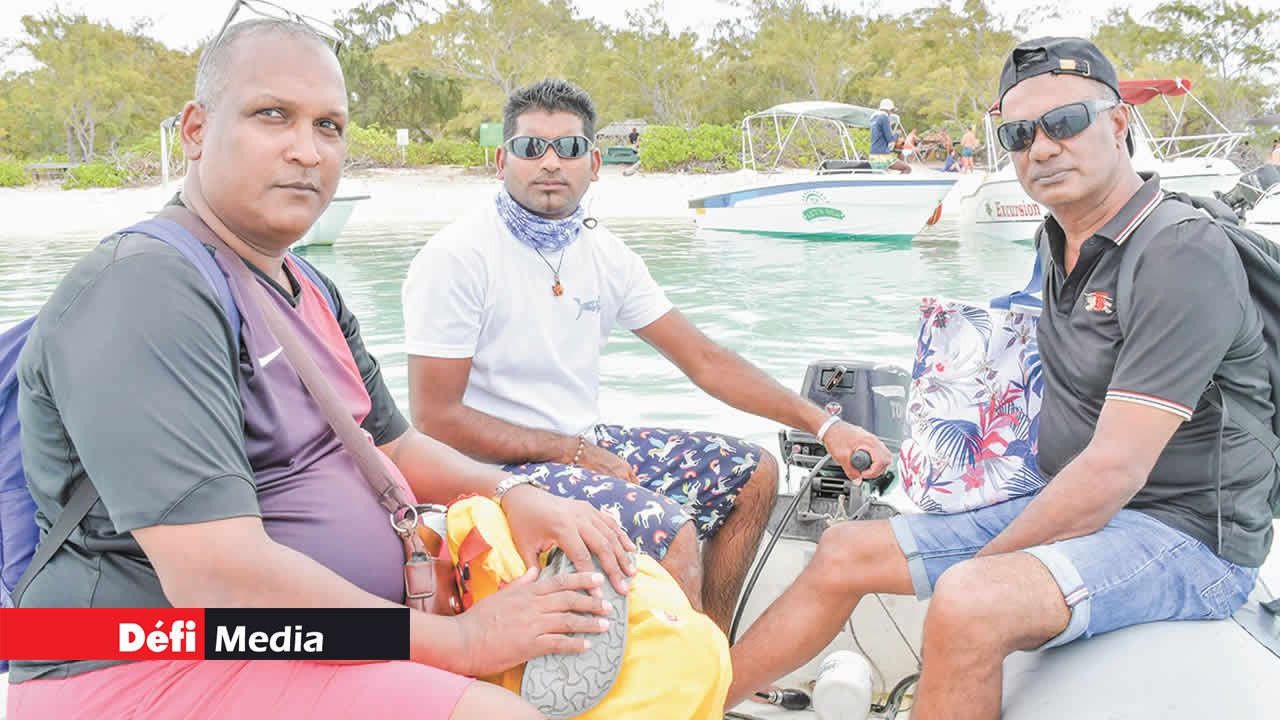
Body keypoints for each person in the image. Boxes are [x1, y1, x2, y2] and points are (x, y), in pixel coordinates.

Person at [8, 19, 642, 720]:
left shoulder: (305, 285)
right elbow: (218, 581)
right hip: (151, 655)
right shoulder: (147, 292)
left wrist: (511, 493)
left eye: (330, 126)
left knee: (648, 636)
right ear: (194, 130)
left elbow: (393, 445)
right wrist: (461, 643)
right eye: (271, 115)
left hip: (319, 633)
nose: (306, 151)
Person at [724, 36, 1274, 719]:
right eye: (1019, 134)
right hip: (1082, 506)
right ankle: (692, 706)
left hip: (1186, 534)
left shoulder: (1179, 254)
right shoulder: (1059, 240)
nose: (1041, 148)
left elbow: (1113, 472)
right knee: (841, 551)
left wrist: (980, 564)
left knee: (968, 600)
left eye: (1066, 122)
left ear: (1117, 124)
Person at [401, 78, 892, 633]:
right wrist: (574, 450)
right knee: (670, 529)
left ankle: (711, 659)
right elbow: (435, 419)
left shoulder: (604, 253)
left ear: (594, 162)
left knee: (754, 474)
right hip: (487, 467)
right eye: (530, 146)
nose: (549, 162)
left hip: (577, 443)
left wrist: (825, 425)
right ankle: (680, 691)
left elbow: (704, 360)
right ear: (501, 160)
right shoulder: (457, 257)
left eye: (568, 147)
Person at [868, 98, 911, 173]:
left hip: (873, 155)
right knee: (907, 168)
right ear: (888, 110)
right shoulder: (884, 117)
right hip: (882, 156)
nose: (891, 113)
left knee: (879, 181)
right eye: (892, 110)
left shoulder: (873, 118)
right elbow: (890, 139)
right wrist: (897, 134)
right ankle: (898, 184)